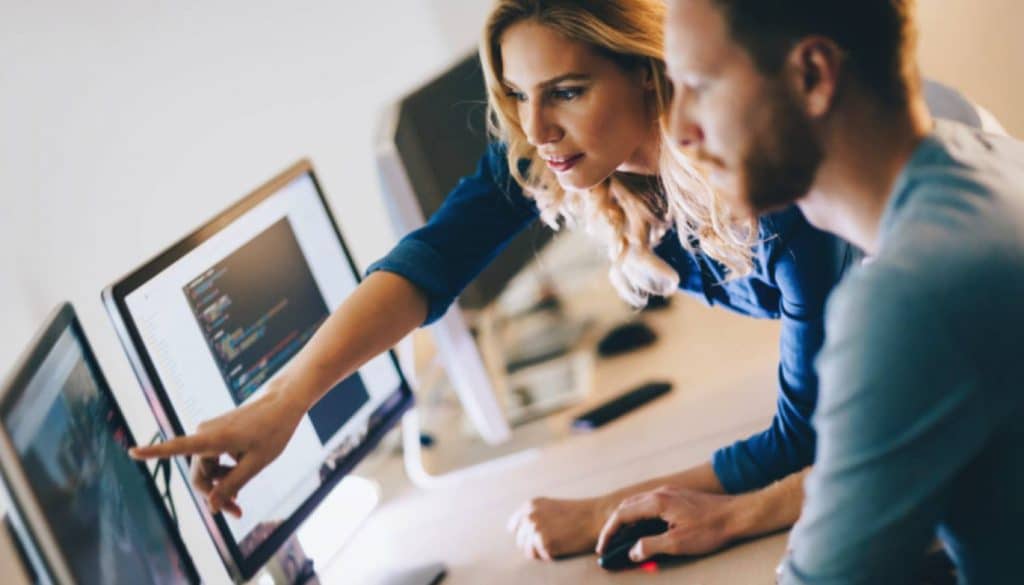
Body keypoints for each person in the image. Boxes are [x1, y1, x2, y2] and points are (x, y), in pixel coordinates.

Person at [599, 0, 1024, 582]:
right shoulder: (986, 161)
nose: (679, 132)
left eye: (701, 86)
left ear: (812, 77)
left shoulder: (909, 296)